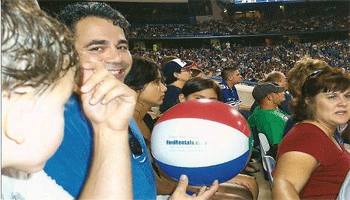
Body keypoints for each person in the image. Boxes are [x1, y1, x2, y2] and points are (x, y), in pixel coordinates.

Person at [43, 2, 219, 200]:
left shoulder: (119, 108)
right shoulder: (56, 129)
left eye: (121, 46)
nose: (116, 57)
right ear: (63, 55)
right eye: (97, 47)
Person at [2, 1, 133, 199]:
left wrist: (110, 130)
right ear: (18, 118)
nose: (116, 56)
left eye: (122, 46)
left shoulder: (14, 176)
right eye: (62, 105)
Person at [272, 67, 350, 199]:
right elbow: (283, 185)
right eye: (332, 97)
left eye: (347, 96)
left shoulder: (321, 132)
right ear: (309, 101)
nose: (343, 103)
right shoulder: (309, 136)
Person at [178, 77, 260, 200]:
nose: (205, 104)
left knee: (251, 183)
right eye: (198, 98)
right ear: (183, 99)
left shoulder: (214, 125)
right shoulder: (174, 125)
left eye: (212, 100)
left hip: (209, 171)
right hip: (185, 179)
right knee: (241, 195)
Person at [248, 82, 289, 157]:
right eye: (277, 92)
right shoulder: (270, 118)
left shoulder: (261, 110)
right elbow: (278, 146)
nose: (283, 93)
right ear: (269, 97)